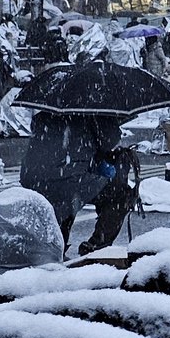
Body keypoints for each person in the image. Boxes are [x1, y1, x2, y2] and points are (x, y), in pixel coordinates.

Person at [20, 109, 137, 255]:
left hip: (33, 178)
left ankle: (54, 250)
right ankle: (97, 247)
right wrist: (111, 121)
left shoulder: (45, 114)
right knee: (120, 195)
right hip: (68, 179)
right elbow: (109, 141)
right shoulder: (94, 110)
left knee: (63, 199)